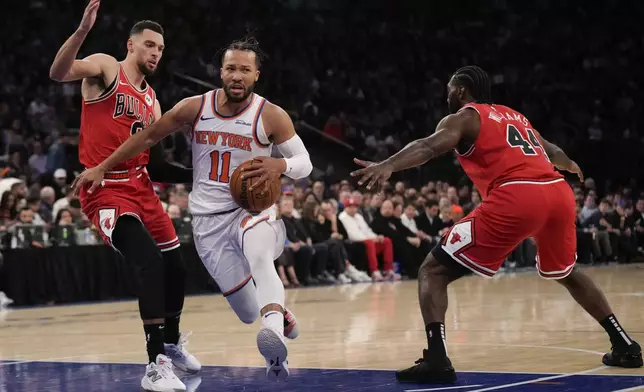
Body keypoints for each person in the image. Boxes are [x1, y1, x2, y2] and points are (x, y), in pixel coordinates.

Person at [351, 65, 642, 384]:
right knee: (567, 272)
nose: (447, 94)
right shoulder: (515, 116)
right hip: (558, 192)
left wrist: (388, 165)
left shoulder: (464, 116)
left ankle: (437, 360)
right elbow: (552, 150)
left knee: (432, 271)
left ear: (461, 90)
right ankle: (624, 345)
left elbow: (428, 147)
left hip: (516, 194)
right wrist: (570, 165)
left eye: (450, 88)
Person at [72, 37, 311, 381]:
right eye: (231, 68)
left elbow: (305, 163)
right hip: (208, 221)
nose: (237, 75)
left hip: (250, 208)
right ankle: (276, 311)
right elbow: (146, 138)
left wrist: (280, 166)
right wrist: (102, 167)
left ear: (256, 74)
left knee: (260, 255)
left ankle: (272, 325)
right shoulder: (194, 107)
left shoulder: (270, 114)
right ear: (221, 72)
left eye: (245, 69)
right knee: (246, 312)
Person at [50, 1, 199, 390]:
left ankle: (171, 340)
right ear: (131, 45)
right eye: (149, 45)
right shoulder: (106, 68)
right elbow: (59, 72)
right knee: (148, 262)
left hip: (142, 187)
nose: (155, 53)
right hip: (105, 189)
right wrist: (82, 31)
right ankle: (155, 366)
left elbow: (160, 165)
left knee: (177, 267)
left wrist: (206, 176)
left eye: (161, 48)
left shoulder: (153, 102)